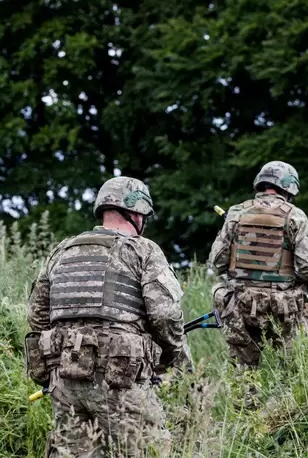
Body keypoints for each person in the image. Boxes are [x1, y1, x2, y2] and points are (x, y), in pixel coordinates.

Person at [25, 176, 191, 457]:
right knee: (148, 450)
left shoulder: (61, 251)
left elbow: (37, 316)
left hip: (65, 379)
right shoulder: (143, 250)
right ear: (137, 212)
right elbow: (164, 315)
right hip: (119, 379)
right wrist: (175, 355)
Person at [208, 161, 308, 370]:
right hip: (282, 308)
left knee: (244, 374)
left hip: (240, 306)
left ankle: (246, 402)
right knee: (292, 371)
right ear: (289, 187)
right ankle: (286, 403)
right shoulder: (294, 215)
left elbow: (217, 262)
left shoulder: (236, 213)